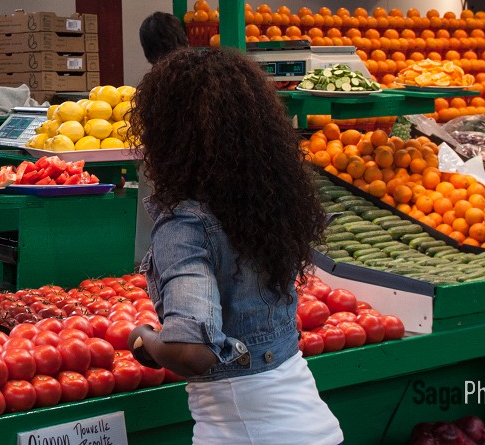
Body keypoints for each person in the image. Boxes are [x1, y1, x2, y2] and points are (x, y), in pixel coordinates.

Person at [127, 47, 343, 445]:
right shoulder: (265, 205)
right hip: (312, 424)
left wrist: (144, 338)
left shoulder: (186, 224)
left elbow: (192, 351)